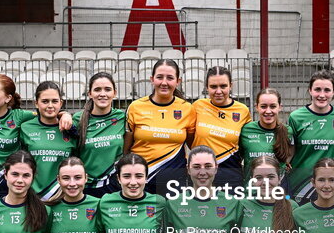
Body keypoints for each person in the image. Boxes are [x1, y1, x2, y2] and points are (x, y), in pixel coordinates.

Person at [124, 60, 195, 193]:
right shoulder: (136, 107)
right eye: (159, 77)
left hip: (174, 182)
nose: (164, 82)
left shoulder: (187, 109)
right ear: (152, 79)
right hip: (141, 180)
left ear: (178, 81)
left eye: (170, 78)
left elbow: (192, 144)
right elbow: (126, 149)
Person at [286, 70, 334, 202]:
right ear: (310, 90)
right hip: (300, 181)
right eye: (317, 89)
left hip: (328, 183)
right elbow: (290, 150)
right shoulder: (296, 117)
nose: (322, 95)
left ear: (333, 92)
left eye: (327, 90)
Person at [191, 66, 251, 189]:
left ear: (231, 86)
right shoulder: (197, 106)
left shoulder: (242, 110)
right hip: (201, 174)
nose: (218, 91)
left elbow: (246, 143)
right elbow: (189, 136)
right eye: (213, 87)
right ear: (206, 87)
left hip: (231, 173)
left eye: (223, 86)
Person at [72, 72, 126, 198]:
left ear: (115, 93)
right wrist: (62, 114)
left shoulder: (122, 117)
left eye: (107, 89)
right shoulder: (78, 119)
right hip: (86, 187)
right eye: (97, 90)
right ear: (90, 94)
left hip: (115, 186)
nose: (102, 94)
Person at [20, 81, 77, 200]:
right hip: (32, 196)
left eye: (55, 101)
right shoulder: (25, 128)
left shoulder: (71, 128)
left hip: (63, 195)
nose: (50, 105)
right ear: (36, 103)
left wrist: (65, 115)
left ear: (61, 103)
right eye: (45, 101)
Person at [238, 88, 293, 182]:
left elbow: (291, 154)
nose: (268, 111)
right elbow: (239, 158)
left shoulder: (288, 131)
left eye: (272, 106)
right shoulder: (246, 130)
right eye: (263, 106)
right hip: (252, 191)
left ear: (280, 107)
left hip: (277, 191)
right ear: (257, 107)